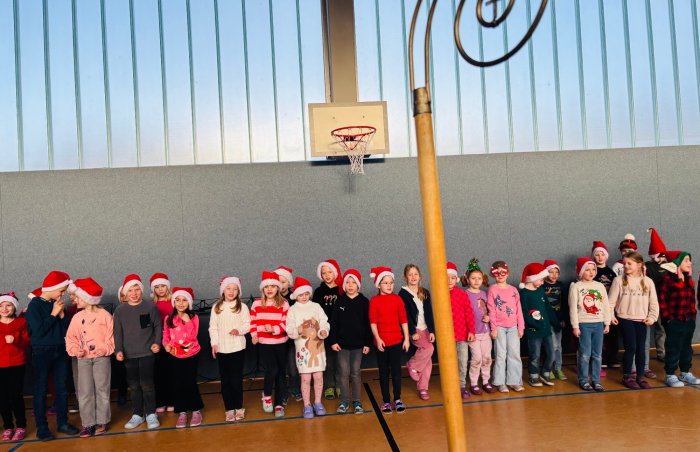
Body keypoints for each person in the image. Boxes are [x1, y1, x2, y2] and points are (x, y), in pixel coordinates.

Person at [25, 271, 79, 440]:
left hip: (60, 350)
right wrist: (54, 314)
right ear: (52, 288)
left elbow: (68, 328)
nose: (62, 294)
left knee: (61, 389)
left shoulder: (56, 304)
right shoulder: (34, 306)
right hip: (42, 352)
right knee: (41, 390)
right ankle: (42, 427)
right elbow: (38, 331)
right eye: (61, 291)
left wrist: (62, 316)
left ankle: (63, 423)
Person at [65, 278, 114, 437]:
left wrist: (104, 349)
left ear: (87, 298)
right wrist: (76, 350)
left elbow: (111, 338)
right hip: (83, 360)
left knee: (102, 390)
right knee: (85, 391)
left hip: (102, 358)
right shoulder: (76, 318)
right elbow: (71, 338)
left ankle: (102, 420)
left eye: (77, 297)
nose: (74, 299)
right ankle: (87, 423)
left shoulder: (105, 316)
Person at [113, 274, 162, 430]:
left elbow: (158, 326)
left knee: (147, 384)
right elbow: (117, 333)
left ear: (141, 290)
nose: (134, 293)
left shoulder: (150, 307)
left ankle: (151, 413)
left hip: (147, 353)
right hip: (129, 354)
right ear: (125, 293)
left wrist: (157, 343)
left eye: (137, 290)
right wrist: (118, 350)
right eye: (130, 290)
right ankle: (137, 414)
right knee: (134, 385)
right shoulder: (120, 311)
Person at [608, 251, 659, 389]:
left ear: (639, 264)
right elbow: (611, 302)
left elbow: (654, 302)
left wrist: (652, 317)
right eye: (624, 264)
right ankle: (627, 376)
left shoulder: (648, 282)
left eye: (629, 263)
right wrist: (611, 316)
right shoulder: (618, 280)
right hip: (625, 318)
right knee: (631, 347)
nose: (626, 266)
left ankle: (640, 377)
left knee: (641, 349)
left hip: (641, 320)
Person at [286, 277, 330, 419]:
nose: (304, 297)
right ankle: (307, 405)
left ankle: (317, 402)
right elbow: (289, 329)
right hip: (302, 350)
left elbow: (324, 321)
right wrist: (297, 330)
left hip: (318, 348)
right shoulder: (292, 310)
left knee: (318, 376)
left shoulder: (316, 306)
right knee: (305, 378)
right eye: (301, 294)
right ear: (296, 295)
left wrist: (323, 330)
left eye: (306, 294)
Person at [329, 269, 371, 414]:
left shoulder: (364, 302)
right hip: (342, 346)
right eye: (348, 282)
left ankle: (357, 401)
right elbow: (334, 323)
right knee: (343, 373)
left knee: (355, 373)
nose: (351, 285)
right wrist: (333, 341)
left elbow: (368, 324)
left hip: (358, 346)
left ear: (358, 285)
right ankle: (344, 401)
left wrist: (367, 343)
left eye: (354, 282)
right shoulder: (340, 301)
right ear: (344, 285)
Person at [209, 276, 250, 422]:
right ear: (223, 290)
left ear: (238, 291)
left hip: (237, 348)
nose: (231, 291)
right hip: (222, 349)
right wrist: (214, 344)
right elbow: (213, 328)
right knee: (225, 381)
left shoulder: (242, 307)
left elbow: (248, 324)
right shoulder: (216, 307)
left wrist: (238, 330)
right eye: (228, 288)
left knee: (236, 380)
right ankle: (229, 409)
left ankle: (238, 407)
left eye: (235, 289)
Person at [369, 266, 410, 413]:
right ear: (378, 285)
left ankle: (397, 399)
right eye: (385, 283)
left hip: (396, 341)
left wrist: (406, 339)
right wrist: (378, 339)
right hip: (381, 343)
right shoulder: (374, 301)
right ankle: (386, 401)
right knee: (384, 372)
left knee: (397, 372)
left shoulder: (397, 299)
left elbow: (403, 320)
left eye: (391, 282)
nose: (389, 285)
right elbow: (373, 322)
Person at [163, 287, 204, 428]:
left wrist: (188, 322)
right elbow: (166, 334)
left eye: (184, 300)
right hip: (175, 355)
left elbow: (192, 337)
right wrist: (166, 344)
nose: (181, 303)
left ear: (189, 302)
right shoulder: (168, 318)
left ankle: (196, 410)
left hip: (191, 354)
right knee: (178, 383)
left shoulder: (193, 318)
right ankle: (182, 412)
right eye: (178, 300)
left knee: (189, 382)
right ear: (173, 302)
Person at [658, 251, 700, 387]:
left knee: (686, 347)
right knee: (673, 347)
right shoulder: (668, 280)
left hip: (688, 319)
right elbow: (662, 301)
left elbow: (692, 299)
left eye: (690, 260)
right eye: (686, 260)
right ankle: (670, 374)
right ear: (677, 263)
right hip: (674, 320)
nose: (690, 263)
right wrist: (668, 319)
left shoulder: (688, 280)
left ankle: (685, 372)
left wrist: (692, 316)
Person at [250, 271, 289, 417]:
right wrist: (254, 335)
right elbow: (252, 322)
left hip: (281, 343)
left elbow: (286, 323)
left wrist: (274, 329)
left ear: (278, 288)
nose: (270, 289)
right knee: (272, 370)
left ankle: (278, 404)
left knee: (280, 373)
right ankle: (266, 395)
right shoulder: (256, 304)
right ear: (263, 289)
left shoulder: (284, 304)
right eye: (266, 287)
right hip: (264, 343)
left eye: (273, 286)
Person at [569, 258, 611, 392]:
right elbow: (573, 308)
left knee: (597, 354)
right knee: (584, 354)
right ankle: (583, 380)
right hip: (584, 324)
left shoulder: (599, 286)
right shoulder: (576, 287)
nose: (591, 272)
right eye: (587, 270)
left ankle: (596, 380)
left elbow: (605, 305)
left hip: (598, 324)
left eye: (593, 269)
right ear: (581, 272)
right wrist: (575, 326)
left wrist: (607, 322)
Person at [519, 263, 560, 387]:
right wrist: (535, 324)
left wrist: (555, 323)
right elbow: (523, 313)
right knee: (535, 355)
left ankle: (546, 372)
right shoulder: (524, 293)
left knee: (551, 353)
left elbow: (548, 308)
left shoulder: (540, 291)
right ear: (533, 278)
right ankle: (533, 375)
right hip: (533, 331)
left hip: (546, 329)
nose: (543, 282)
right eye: (541, 279)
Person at [399, 264, 435, 400]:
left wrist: (431, 331)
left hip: (425, 328)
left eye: (415, 274)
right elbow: (405, 315)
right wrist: (412, 331)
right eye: (410, 274)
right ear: (405, 277)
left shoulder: (424, 292)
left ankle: (423, 388)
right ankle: (412, 364)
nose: (413, 277)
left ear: (420, 276)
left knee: (427, 360)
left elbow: (429, 313)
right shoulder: (403, 294)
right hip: (414, 329)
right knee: (429, 348)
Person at [487, 261, 524, 393]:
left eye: (503, 272)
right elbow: (491, 309)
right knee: (500, 354)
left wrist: (521, 327)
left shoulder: (513, 290)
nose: (500, 275)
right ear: (493, 274)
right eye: (497, 273)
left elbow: (518, 309)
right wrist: (493, 328)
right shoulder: (492, 289)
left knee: (514, 354)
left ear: (507, 273)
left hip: (513, 327)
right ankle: (500, 382)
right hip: (499, 327)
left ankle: (514, 381)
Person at [461, 259, 494, 395]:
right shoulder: (465, 294)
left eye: (479, 278)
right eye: (473, 278)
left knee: (487, 358)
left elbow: (489, 310)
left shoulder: (484, 294)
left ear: (483, 279)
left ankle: (485, 381)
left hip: (485, 332)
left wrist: (489, 317)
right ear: (467, 279)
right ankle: (474, 383)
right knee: (477, 359)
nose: (476, 281)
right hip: (473, 333)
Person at [0, 292, 29, 442]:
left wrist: (16, 339)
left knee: (16, 396)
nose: (4, 309)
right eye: (1, 306)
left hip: (17, 364)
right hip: (0, 366)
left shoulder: (21, 323)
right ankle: (8, 426)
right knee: (2, 398)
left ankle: (21, 426)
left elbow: (27, 342)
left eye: (8, 305)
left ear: (14, 307)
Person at [313, 259, 343, 400]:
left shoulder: (341, 290)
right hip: (325, 331)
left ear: (335, 273)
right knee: (329, 361)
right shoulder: (319, 292)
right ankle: (329, 386)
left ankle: (340, 385)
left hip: (341, 331)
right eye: (324, 273)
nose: (327, 275)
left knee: (341, 362)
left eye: (329, 272)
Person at [448, 262, 476, 399]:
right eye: (447, 278)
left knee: (462, 361)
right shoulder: (439, 295)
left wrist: (471, 331)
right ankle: (450, 386)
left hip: (462, 335)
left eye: (452, 278)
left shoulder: (462, 294)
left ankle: (462, 385)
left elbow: (469, 313)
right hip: (446, 337)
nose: (449, 280)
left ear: (456, 279)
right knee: (449, 363)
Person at [274, 266, 301, 404]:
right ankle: (282, 393)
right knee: (280, 369)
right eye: (278, 281)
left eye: (284, 282)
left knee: (292, 368)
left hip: (291, 340)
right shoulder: (272, 298)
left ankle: (295, 389)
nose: (281, 285)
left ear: (289, 283)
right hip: (276, 339)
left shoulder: (295, 298)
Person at [149, 273, 175, 414]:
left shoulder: (174, 302)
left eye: (163, 286)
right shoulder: (151, 304)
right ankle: (161, 401)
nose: (160, 289)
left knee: (172, 372)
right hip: (157, 342)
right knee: (158, 374)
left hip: (172, 342)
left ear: (167, 287)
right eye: (157, 287)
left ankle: (172, 400)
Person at [592, 241, 618, 372]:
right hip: (597, 307)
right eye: (597, 255)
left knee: (612, 335)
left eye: (602, 254)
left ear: (606, 256)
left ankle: (612, 358)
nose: (600, 257)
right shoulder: (592, 271)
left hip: (610, 307)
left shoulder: (611, 273)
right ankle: (600, 359)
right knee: (599, 335)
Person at [645, 227, 669, 362]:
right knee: (655, 328)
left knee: (665, 328)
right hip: (653, 302)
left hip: (667, 302)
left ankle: (666, 352)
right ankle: (658, 353)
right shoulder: (648, 266)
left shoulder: (670, 266)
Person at [542, 260, 568, 380]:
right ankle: (548, 368)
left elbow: (564, 304)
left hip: (558, 320)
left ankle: (558, 368)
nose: (554, 275)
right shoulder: (542, 286)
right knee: (551, 346)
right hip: (547, 321)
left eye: (556, 272)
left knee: (558, 346)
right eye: (551, 272)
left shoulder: (561, 285)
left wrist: (563, 319)